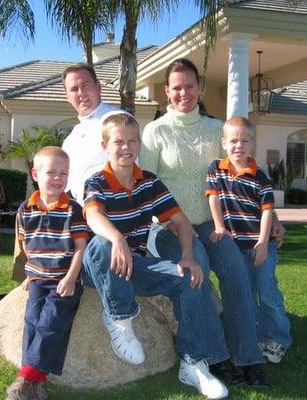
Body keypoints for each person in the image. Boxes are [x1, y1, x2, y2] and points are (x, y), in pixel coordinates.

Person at [140, 58, 275, 386]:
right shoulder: (155, 132)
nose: (183, 93)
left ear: (199, 88)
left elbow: (249, 177)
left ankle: (249, 357)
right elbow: (145, 186)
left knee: (237, 272)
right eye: (176, 87)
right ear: (166, 92)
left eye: (189, 86)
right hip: (170, 225)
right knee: (196, 268)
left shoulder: (219, 131)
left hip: (213, 224)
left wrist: (272, 220)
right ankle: (218, 357)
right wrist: (169, 222)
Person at [82, 113, 230, 400]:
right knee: (101, 245)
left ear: (139, 144)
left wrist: (187, 256)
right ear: (105, 145)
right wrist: (116, 239)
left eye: (132, 141)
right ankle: (120, 318)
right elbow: (93, 215)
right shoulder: (97, 181)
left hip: (135, 266)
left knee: (188, 277)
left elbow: (182, 222)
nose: (126, 147)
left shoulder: (149, 181)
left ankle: (192, 363)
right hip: (101, 267)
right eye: (118, 142)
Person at [206, 116, 292, 363]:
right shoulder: (216, 169)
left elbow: (266, 211)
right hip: (235, 248)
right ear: (223, 142)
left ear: (252, 143)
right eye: (233, 140)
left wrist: (263, 243)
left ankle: (278, 338)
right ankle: (255, 336)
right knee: (247, 293)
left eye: (245, 140)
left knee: (267, 292)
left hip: (259, 246)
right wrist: (220, 226)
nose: (239, 146)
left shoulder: (260, 176)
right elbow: (214, 198)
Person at [6, 147, 89, 400]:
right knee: (32, 322)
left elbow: (81, 247)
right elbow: (27, 245)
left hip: (64, 279)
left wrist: (71, 277)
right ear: (35, 174)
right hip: (38, 279)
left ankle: (25, 378)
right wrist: (29, 274)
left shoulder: (72, 209)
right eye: (51, 172)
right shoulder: (26, 209)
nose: (58, 178)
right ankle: (38, 381)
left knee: (51, 322)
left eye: (63, 173)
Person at [61, 64, 127, 205]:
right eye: (73, 89)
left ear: (98, 87)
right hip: (79, 215)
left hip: (113, 211)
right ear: (67, 97)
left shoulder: (118, 120)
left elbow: (129, 170)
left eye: (86, 85)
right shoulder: (71, 137)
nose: (81, 93)